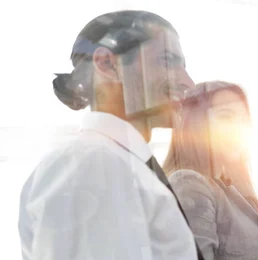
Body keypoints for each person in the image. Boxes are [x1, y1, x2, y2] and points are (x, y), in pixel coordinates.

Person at [18, 10, 202, 260]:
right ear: (107, 64)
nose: (188, 83)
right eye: (168, 61)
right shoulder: (96, 164)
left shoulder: (116, 163)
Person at [164, 81, 258, 260]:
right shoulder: (189, 183)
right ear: (197, 124)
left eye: (243, 119)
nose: (238, 127)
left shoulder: (229, 187)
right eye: (226, 117)